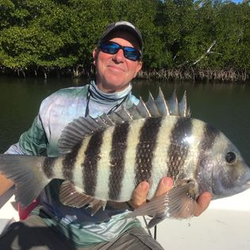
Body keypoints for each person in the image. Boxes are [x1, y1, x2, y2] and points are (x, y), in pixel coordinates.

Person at [0, 21, 211, 250]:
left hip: (117, 234)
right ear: (96, 54)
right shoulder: (55, 104)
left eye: (130, 53)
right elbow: (21, 155)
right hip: (51, 224)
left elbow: (162, 195)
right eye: (110, 48)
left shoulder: (150, 121)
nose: (119, 57)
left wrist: (174, 205)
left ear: (138, 66)